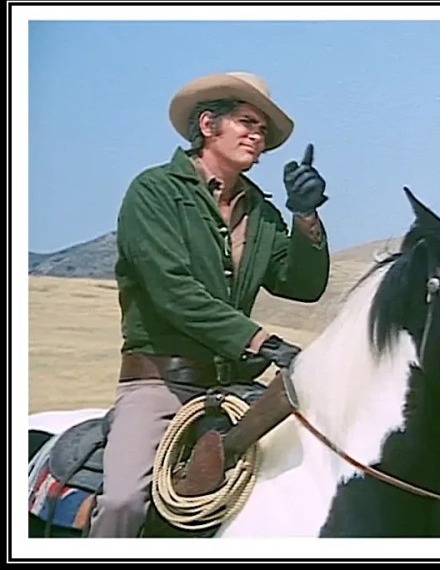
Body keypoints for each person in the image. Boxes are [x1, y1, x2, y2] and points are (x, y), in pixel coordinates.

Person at [87, 71, 331, 538]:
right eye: (246, 123)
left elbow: (302, 285)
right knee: (123, 502)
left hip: (235, 386)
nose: (257, 136)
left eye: (262, 130)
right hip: (162, 384)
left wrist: (305, 215)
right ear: (207, 125)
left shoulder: (262, 212)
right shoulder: (155, 191)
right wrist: (260, 340)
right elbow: (173, 291)